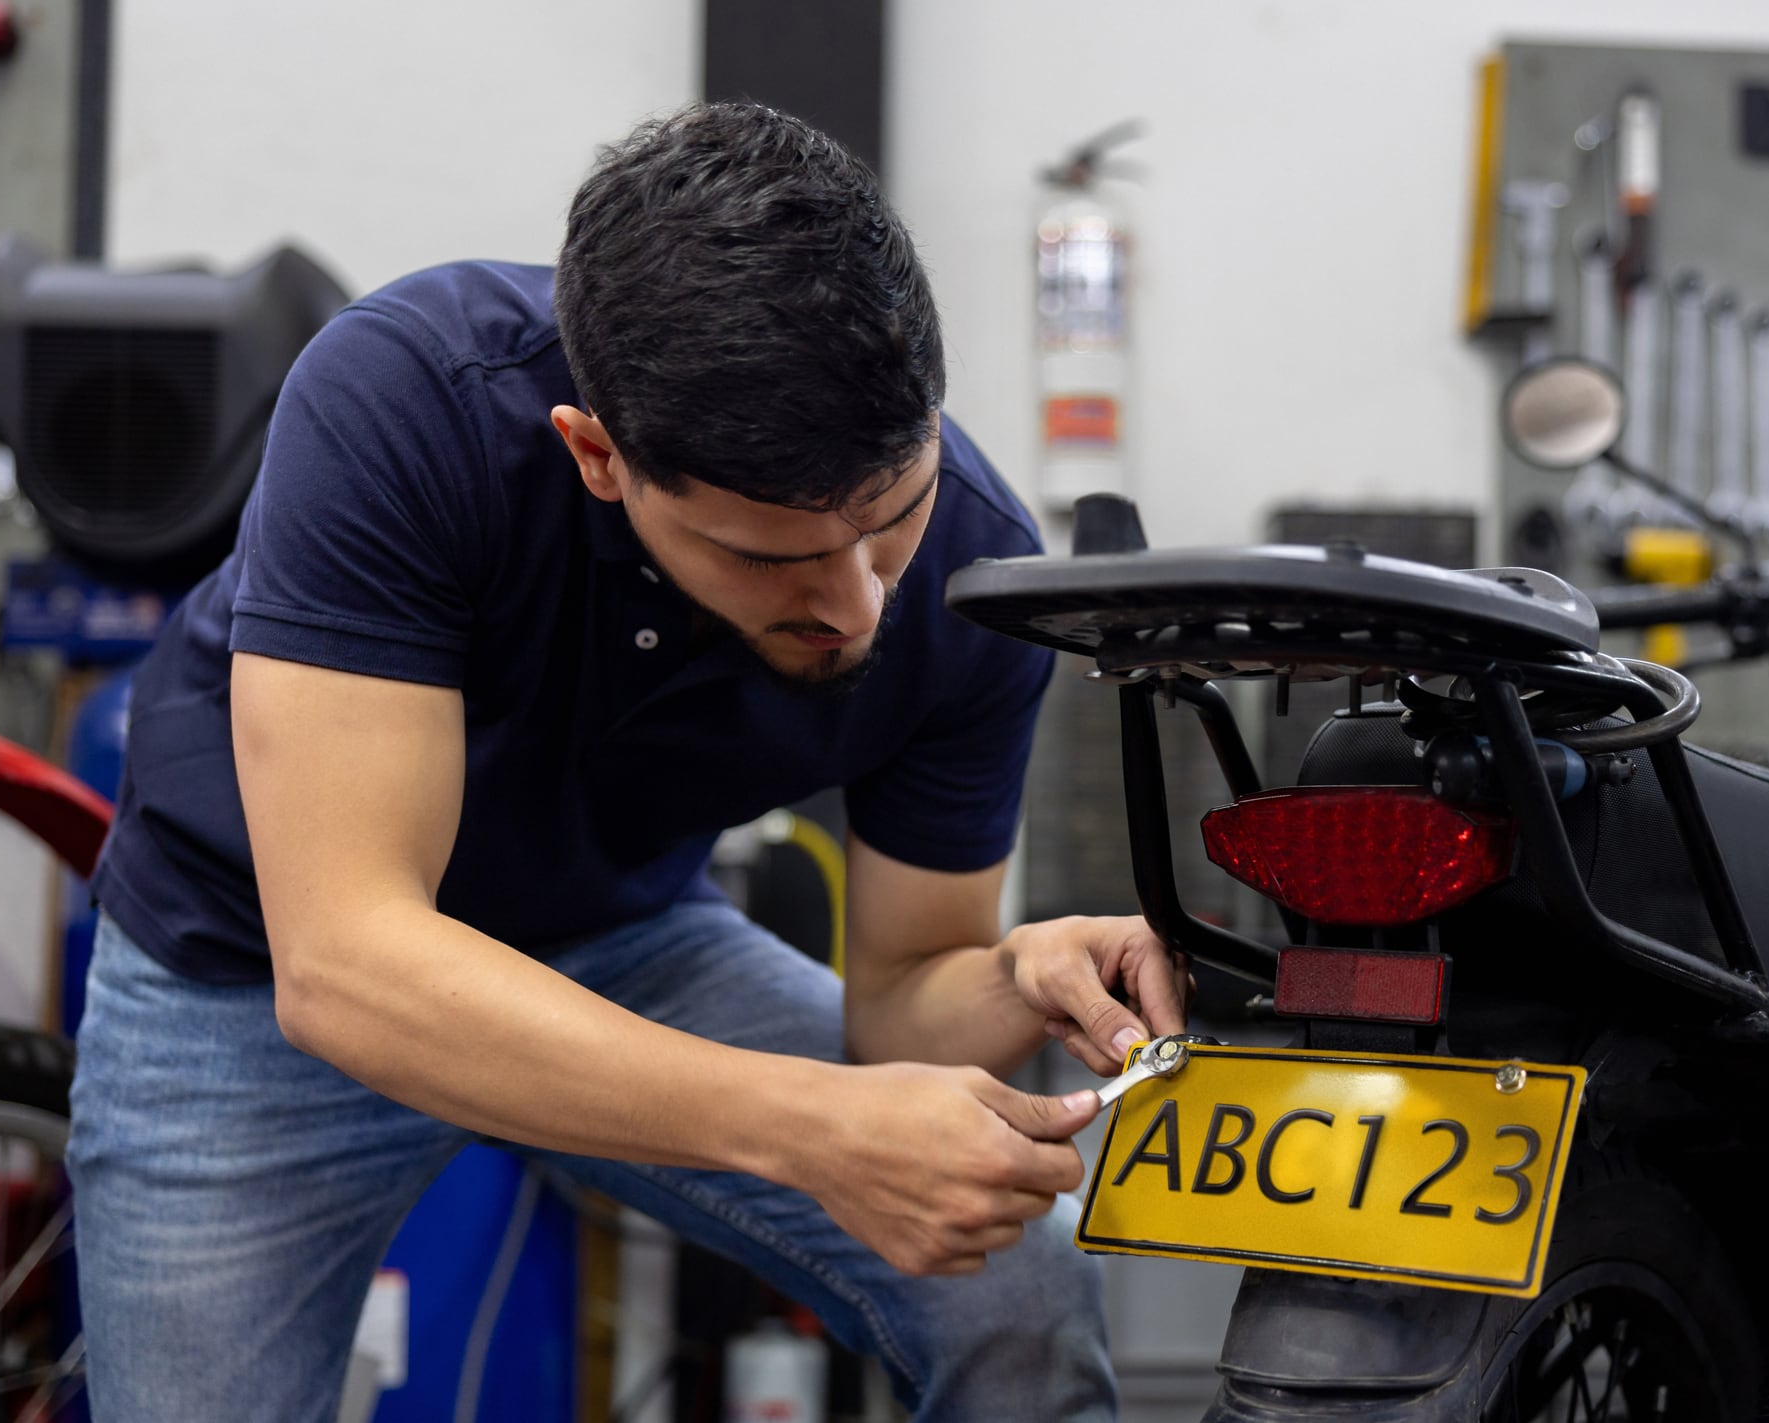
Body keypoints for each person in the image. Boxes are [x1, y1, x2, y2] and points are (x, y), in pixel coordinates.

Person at [65, 101, 1188, 1422]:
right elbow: (351, 965)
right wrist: (816, 1130)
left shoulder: (972, 584)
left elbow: (895, 1002)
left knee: (1018, 1286)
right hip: (249, 972)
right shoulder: (407, 403)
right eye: (773, 559)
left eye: (889, 524)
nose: (856, 608)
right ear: (598, 457)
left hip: (623, 940)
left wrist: (1012, 976)